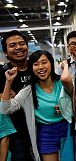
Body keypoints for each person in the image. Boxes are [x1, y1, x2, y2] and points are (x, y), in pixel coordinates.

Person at [1, 50, 73, 161]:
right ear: (32, 68)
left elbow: (74, 95)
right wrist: (9, 82)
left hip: (67, 129)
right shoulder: (28, 90)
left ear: (51, 64)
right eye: (36, 64)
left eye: (44, 62)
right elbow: (5, 109)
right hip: (45, 133)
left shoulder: (61, 83)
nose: (40, 67)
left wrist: (67, 107)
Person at [0, 30, 33, 161]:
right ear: (6, 52)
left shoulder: (37, 68)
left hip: (41, 127)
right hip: (16, 133)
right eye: (12, 45)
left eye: (22, 43)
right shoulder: (2, 73)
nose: (18, 47)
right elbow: (3, 104)